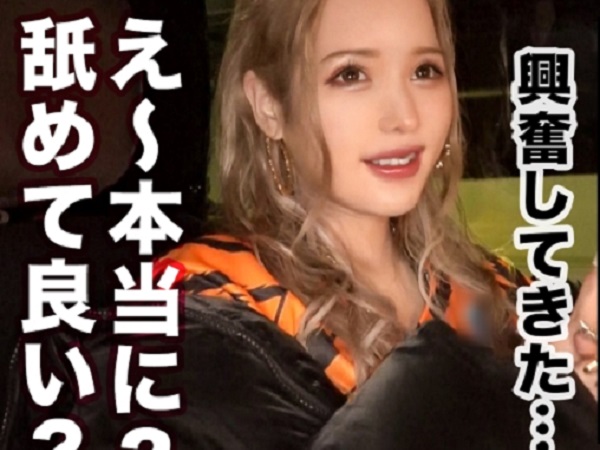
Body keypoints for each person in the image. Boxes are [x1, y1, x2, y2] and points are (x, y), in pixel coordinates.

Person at [1, 0, 596, 448]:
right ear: (269, 104)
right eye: (350, 74)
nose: (404, 117)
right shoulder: (182, 327)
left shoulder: (497, 292)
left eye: (425, 70)